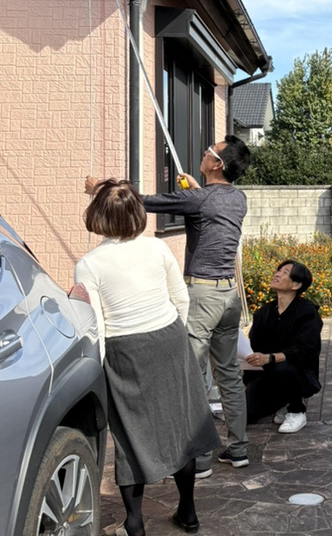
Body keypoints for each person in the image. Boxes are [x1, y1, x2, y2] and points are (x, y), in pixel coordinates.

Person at [86, 134, 252, 478]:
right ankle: (238, 449)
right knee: (228, 375)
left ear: (217, 164)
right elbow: (208, 205)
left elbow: (142, 202)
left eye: (208, 152)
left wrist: (99, 189)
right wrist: (196, 191)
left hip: (203, 297)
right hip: (229, 296)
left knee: (191, 378)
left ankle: (199, 462)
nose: (203, 153)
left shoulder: (199, 199)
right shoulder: (237, 198)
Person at [75, 180, 220, 536]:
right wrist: (173, 337)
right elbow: (180, 298)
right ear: (138, 213)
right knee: (180, 426)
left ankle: (134, 524)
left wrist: (102, 369)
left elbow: (96, 323)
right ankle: (188, 512)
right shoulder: (157, 247)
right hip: (169, 337)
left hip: (124, 349)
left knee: (130, 434)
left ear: (97, 215)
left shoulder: (89, 264)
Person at [243, 260, 323, 434]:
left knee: (283, 367)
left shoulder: (307, 313)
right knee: (245, 414)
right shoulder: (264, 313)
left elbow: (305, 350)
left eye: (284, 272)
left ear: (296, 285)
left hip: (299, 375)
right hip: (267, 374)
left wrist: (270, 358)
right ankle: (283, 403)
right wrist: (247, 383)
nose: (277, 274)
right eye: (278, 270)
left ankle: (297, 410)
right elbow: (254, 349)